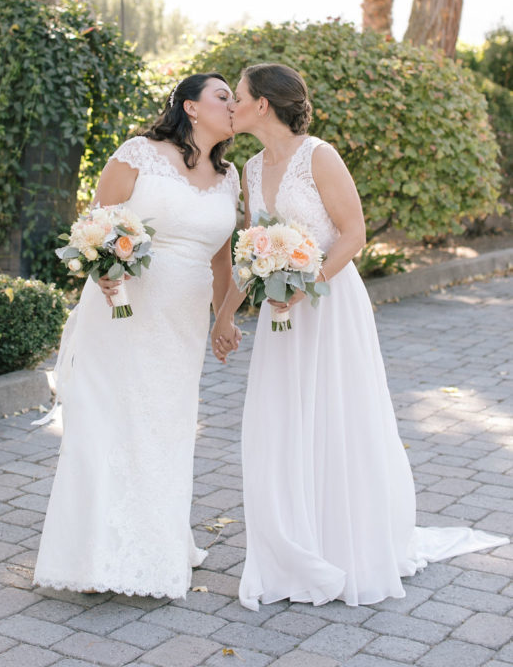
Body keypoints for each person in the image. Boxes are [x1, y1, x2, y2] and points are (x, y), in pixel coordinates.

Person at [212, 62, 507, 611]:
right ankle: (291, 545)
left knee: (336, 415)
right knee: (280, 419)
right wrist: (226, 315)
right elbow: (251, 250)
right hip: (281, 312)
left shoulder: (318, 156)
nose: (231, 105)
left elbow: (354, 234)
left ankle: (345, 542)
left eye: (239, 96)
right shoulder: (251, 169)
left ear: (262, 105)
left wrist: (308, 282)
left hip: (329, 305)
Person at [33, 73, 240, 599]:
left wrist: (225, 316)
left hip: (182, 323)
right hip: (122, 311)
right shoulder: (138, 154)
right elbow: (96, 228)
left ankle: (155, 542)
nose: (234, 105)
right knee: (110, 422)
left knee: (164, 426)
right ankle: (93, 554)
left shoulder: (229, 176)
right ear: (191, 107)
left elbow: (221, 257)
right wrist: (103, 270)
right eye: (223, 96)